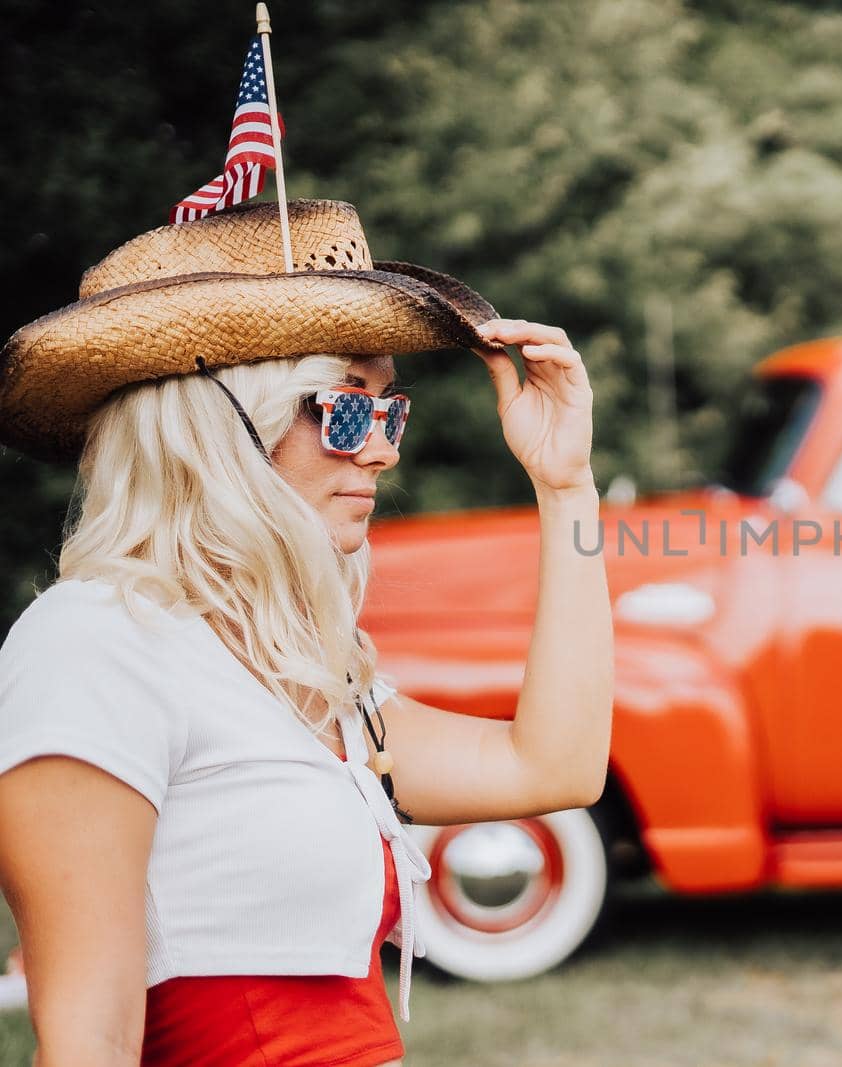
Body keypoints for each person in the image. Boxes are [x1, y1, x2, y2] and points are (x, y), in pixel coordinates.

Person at [0, 198, 614, 1066]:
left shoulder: (306, 674)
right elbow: (89, 1044)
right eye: (347, 407)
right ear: (222, 425)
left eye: (389, 412)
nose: (382, 451)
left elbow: (557, 765)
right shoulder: (94, 642)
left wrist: (568, 488)